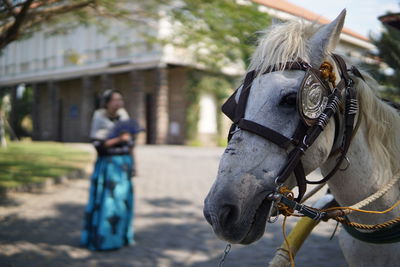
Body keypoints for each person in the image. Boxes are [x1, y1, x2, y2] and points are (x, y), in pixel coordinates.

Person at [80, 89, 138, 251]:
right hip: (108, 166)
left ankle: (121, 237)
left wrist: (134, 165)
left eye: (121, 99)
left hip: (124, 165)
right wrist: (119, 139)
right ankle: (104, 239)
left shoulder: (124, 117)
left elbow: (131, 144)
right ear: (107, 103)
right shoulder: (99, 118)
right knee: (107, 203)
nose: (119, 103)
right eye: (115, 100)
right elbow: (98, 145)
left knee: (123, 202)